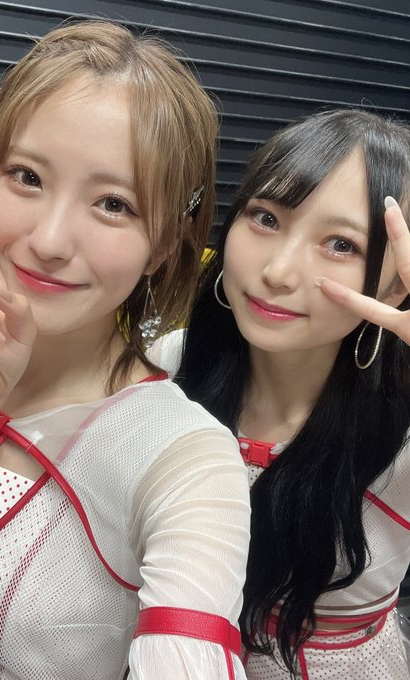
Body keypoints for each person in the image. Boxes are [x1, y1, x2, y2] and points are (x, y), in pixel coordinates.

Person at [0, 20, 251, 680]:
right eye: (27, 176)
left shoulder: (184, 459)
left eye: (114, 203)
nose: (50, 241)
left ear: (164, 246)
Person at [150, 108, 410, 678]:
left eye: (340, 244)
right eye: (265, 218)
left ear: (394, 288)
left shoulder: (403, 435)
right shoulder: (167, 366)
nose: (279, 271)